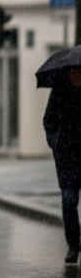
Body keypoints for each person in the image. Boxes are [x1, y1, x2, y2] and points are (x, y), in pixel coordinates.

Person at [43, 66, 81, 264]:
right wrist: (55, 141)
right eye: (72, 72)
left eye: (79, 71)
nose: (75, 75)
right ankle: (73, 245)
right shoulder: (59, 92)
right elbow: (48, 121)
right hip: (67, 158)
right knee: (69, 200)